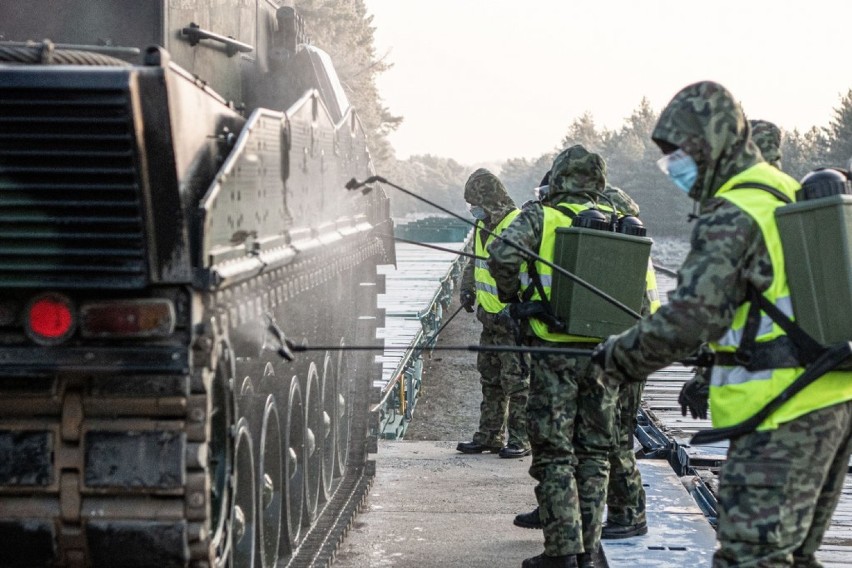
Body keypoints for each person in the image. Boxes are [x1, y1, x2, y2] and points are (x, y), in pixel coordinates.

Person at [591, 80, 852, 567]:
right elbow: (763, 313)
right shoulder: (780, 189)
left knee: (750, 558)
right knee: (791, 558)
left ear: (709, 143)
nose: (674, 167)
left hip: (783, 415)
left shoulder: (735, 210)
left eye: (680, 153)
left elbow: (691, 317)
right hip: (831, 401)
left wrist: (616, 358)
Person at [488, 145, 617, 568]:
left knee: (555, 451)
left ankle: (561, 552)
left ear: (558, 177)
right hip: (605, 356)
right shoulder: (618, 222)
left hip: (553, 352)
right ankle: (590, 552)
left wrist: (516, 297)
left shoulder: (541, 216)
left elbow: (503, 254)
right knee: (595, 453)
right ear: (598, 181)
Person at [456, 168, 531, 459]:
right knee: (490, 380)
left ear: (489, 200)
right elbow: (473, 262)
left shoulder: (516, 224)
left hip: (513, 320)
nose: (472, 209)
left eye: (475, 203)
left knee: (517, 383)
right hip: (489, 318)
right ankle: (489, 435)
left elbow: (528, 270)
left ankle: (520, 439)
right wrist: (467, 289)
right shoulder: (482, 226)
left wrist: (516, 307)